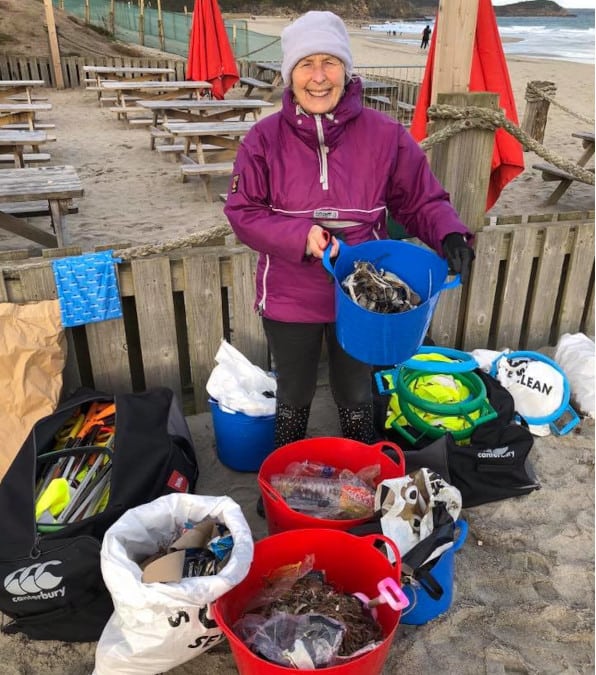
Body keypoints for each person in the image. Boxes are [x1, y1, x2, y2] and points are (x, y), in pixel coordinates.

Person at [224, 11, 474, 454]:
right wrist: (300, 237)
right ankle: (285, 464)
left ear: (346, 69)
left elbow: (421, 200)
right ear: (290, 74)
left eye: (330, 62)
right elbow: (243, 212)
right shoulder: (262, 139)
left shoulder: (386, 134)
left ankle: (364, 460)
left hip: (365, 296)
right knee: (294, 393)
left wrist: (449, 234)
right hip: (288, 292)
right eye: (306, 64)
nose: (318, 77)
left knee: (356, 389)